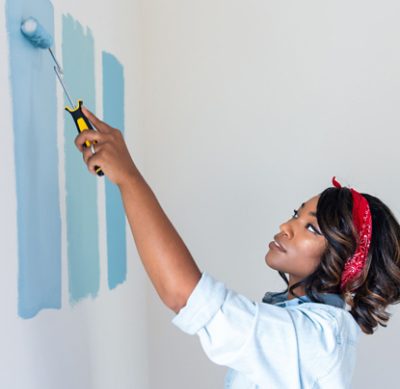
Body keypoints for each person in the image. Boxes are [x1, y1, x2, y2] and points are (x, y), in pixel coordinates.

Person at [75, 106, 400, 388]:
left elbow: (183, 294)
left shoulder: (316, 338)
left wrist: (129, 177)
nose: (285, 227)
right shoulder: (304, 323)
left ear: (347, 262)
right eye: (295, 214)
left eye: (310, 227)